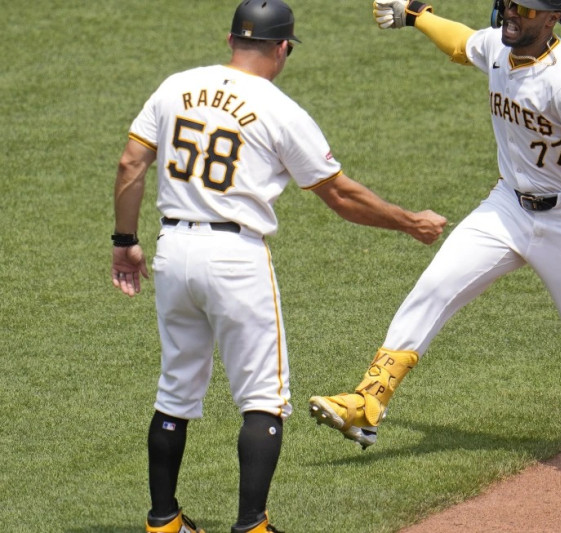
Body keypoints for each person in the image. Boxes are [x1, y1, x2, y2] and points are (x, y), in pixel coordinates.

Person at [309, 0, 561, 452]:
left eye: (525, 9)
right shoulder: (499, 48)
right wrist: (417, 16)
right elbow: (461, 44)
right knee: (433, 288)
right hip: (506, 208)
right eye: (510, 3)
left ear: (553, 18)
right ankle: (368, 402)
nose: (512, 14)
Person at [110, 0, 447, 531]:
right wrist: (409, 222)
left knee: (175, 391)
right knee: (263, 397)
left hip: (172, 250)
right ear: (283, 47)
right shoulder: (280, 109)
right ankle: (252, 525)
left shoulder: (175, 86)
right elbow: (340, 195)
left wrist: (124, 241)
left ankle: (163, 521)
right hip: (235, 258)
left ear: (230, 40)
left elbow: (132, 162)